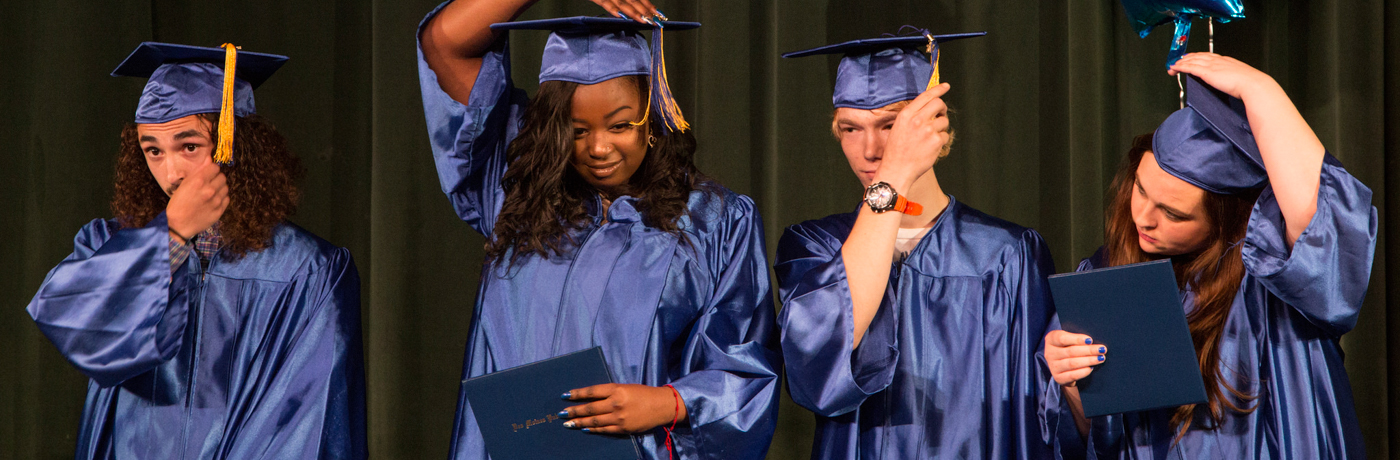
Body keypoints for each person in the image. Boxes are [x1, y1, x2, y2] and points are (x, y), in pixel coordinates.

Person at [416, 1, 781, 458]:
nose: (599, 147)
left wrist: (668, 402)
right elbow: (444, 44)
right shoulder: (517, 191)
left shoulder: (715, 221)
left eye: (621, 125)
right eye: (576, 129)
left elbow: (746, 368)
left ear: (652, 117)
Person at [25, 42, 367, 459]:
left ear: (235, 145)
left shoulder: (308, 271)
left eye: (189, 147)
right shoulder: (107, 245)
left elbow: (303, 423)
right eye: (153, 150)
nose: (170, 173)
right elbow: (75, 328)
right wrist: (171, 233)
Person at [1039, 54, 1376, 459]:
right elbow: (1097, 439)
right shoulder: (1109, 274)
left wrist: (1261, 91)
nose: (1143, 218)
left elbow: (1319, 226)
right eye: (1141, 190)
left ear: (1226, 222)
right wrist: (1076, 386)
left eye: (1174, 213)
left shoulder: (1272, 282)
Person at [776, 32, 1056, 459]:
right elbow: (818, 364)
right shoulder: (815, 245)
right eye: (851, 128)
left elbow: (1036, 418)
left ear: (936, 126)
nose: (870, 150)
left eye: (890, 125)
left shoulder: (1006, 254)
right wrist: (892, 181)